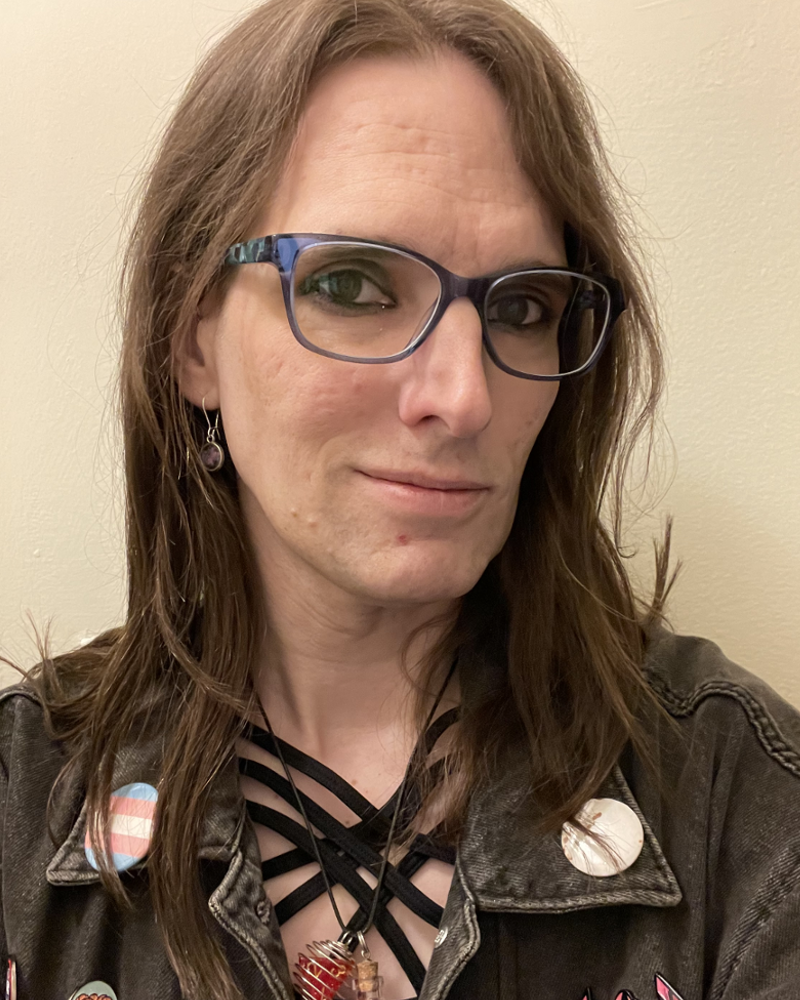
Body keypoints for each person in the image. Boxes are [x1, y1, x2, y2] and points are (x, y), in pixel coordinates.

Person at [1, 0, 798, 998]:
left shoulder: (737, 805)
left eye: (518, 307)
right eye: (354, 286)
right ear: (191, 336)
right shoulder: (18, 802)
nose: (463, 396)